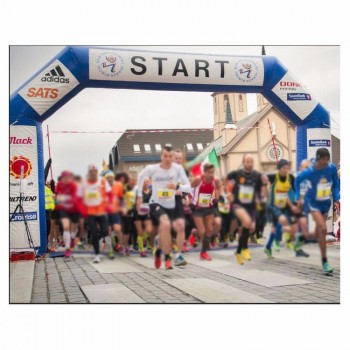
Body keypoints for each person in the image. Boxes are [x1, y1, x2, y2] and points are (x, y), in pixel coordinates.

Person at [136, 146, 191, 270]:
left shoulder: (179, 170)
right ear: (161, 156)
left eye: (171, 157)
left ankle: (166, 252)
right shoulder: (154, 169)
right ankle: (167, 258)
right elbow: (140, 177)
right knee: (165, 225)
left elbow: (188, 187)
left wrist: (177, 187)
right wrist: (139, 196)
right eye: (165, 156)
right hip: (157, 203)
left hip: (173, 204)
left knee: (174, 228)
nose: (168, 159)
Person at [295, 148, 340, 274]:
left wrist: (336, 197)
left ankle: (301, 239)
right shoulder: (310, 171)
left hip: (325, 203)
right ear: (318, 159)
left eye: (327, 159)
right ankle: (325, 262)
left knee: (317, 233)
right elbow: (297, 180)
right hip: (312, 203)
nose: (325, 162)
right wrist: (298, 197)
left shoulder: (332, 168)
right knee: (323, 228)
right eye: (323, 159)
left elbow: (335, 183)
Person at [226, 154, 268, 265]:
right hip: (238, 205)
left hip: (251, 206)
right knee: (247, 222)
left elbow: (264, 194)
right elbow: (225, 181)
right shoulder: (237, 174)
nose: (249, 163)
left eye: (251, 161)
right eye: (247, 161)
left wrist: (264, 183)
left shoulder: (257, 176)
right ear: (243, 162)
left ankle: (239, 251)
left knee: (250, 228)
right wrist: (228, 192)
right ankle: (245, 249)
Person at [264, 159, 300, 259]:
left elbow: (285, 194)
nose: (286, 170)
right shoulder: (273, 177)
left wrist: (292, 206)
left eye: (287, 168)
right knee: (282, 221)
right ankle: (277, 241)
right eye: (284, 168)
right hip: (272, 206)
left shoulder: (289, 178)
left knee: (276, 228)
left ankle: (268, 247)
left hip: (283, 206)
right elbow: (262, 178)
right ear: (279, 168)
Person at [78, 164, 113, 263]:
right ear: (89, 172)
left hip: (102, 211)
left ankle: (99, 238)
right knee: (93, 232)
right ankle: (97, 254)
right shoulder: (84, 183)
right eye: (91, 171)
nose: (93, 173)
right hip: (90, 213)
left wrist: (109, 205)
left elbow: (110, 194)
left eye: (95, 171)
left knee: (106, 231)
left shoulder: (102, 181)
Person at [191, 163, 222, 261]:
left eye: (212, 172)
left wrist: (217, 197)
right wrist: (190, 198)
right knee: (202, 231)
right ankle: (196, 235)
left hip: (209, 207)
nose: (211, 174)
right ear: (204, 172)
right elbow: (189, 187)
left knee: (209, 229)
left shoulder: (215, 181)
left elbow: (219, 187)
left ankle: (203, 252)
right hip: (197, 208)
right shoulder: (198, 179)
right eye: (208, 172)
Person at [55, 171, 80, 259]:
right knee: (66, 227)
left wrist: (63, 198)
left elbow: (74, 198)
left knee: (74, 228)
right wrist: (56, 199)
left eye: (67, 178)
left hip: (74, 209)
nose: (66, 180)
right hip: (64, 209)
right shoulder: (59, 185)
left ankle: (72, 238)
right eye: (64, 178)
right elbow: (57, 196)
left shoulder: (73, 185)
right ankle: (67, 249)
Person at [172, 149, 190, 266]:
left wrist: (184, 195)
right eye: (176, 158)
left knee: (181, 227)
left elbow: (187, 187)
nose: (178, 160)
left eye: (180, 158)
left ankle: (178, 256)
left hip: (178, 203)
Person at [104, 170, 124, 259]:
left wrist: (123, 207)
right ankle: (110, 250)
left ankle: (120, 246)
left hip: (115, 211)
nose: (109, 179)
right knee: (107, 230)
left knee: (117, 229)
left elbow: (121, 198)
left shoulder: (118, 185)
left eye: (111, 177)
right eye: (108, 178)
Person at [133, 177, 153, 257]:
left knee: (149, 230)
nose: (146, 183)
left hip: (147, 212)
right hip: (138, 213)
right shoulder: (138, 191)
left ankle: (140, 240)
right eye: (145, 181)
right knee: (140, 232)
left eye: (148, 181)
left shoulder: (152, 192)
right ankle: (142, 250)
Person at [45, 180, 56, 252]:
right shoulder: (44, 189)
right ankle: (48, 245)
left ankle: (51, 245)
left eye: (50, 185)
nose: (49, 186)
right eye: (47, 184)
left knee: (50, 229)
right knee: (48, 229)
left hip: (51, 211)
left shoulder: (51, 190)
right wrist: (48, 167)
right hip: (45, 211)